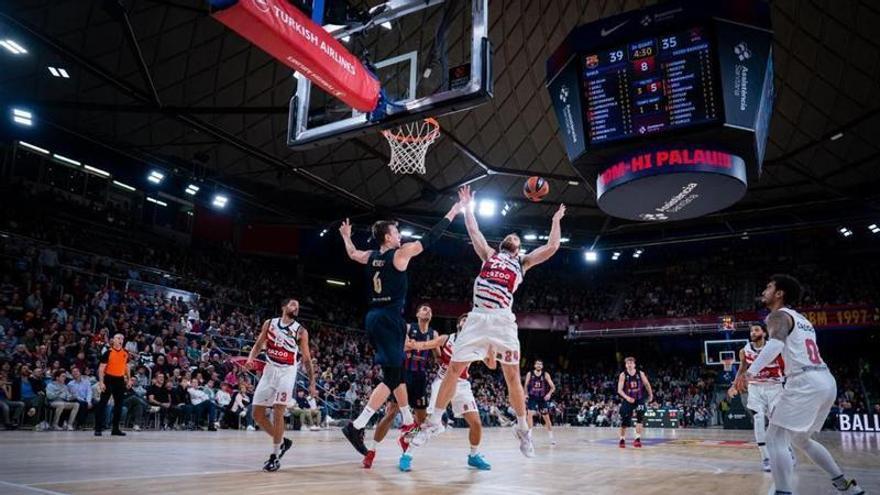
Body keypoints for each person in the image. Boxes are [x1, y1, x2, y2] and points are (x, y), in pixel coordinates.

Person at [413, 185, 566, 458]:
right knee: (454, 369)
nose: (512, 238)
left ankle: (523, 430)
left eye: (516, 239)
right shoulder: (489, 255)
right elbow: (474, 231)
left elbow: (553, 246)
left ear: (519, 250)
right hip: (476, 316)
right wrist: (468, 206)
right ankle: (434, 422)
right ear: (502, 244)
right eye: (509, 236)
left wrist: (555, 221)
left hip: (502, 320)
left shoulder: (523, 263)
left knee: (512, 376)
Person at [339, 199, 462, 460]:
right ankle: (359, 426)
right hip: (391, 319)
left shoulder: (371, 256)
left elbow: (352, 254)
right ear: (387, 236)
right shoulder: (400, 254)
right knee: (393, 375)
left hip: (372, 317)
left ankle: (368, 424)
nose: (400, 235)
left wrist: (347, 237)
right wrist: (454, 210)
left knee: (394, 374)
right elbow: (429, 239)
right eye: (396, 231)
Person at [734, 275, 864, 495]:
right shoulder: (802, 319)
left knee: (774, 438)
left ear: (779, 293)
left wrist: (748, 373)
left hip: (805, 381)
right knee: (801, 439)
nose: (764, 290)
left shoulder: (777, 315)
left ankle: (783, 491)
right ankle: (847, 487)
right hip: (826, 380)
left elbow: (775, 344)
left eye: (768, 286)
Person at [397, 314, 494, 471]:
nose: (467, 320)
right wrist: (412, 344)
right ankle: (407, 454)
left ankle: (473, 455)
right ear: (459, 324)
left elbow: (491, 365)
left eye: (470, 319)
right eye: (464, 318)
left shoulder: (475, 344)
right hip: (442, 382)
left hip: (462, 384)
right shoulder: (446, 339)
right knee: (431, 423)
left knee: (476, 423)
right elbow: (425, 345)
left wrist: (491, 347)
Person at [245, 298, 316, 472]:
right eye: (293, 305)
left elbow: (306, 358)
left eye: (298, 307)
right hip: (269, 370)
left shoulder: (300, 331)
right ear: (283, 307)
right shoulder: (270, 323)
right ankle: (283, 442)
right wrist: (250, 359)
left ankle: (275, 456)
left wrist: (312, 381)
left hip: (287, 372)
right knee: (257, 415)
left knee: (278, 411)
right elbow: (259, 344)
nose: (295, 308)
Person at [363, 304, 436, 468]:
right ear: (417, 314)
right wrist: (410, 345)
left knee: (421, 421)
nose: (427, 311)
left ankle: (407, 438)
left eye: (429, 310)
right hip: (402, 374)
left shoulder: (434, 334)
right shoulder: (408, 327)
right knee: (390, 414)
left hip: (420, 378)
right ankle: (372, 451)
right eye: (424, 309)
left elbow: (438, 355)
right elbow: (397, 346)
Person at [728, 323, 787, 471]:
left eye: (756, 330)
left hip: (774, 387)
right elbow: (742, 369)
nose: (752, 333)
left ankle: (787, 451)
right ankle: (766, 458)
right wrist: (734, 385)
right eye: (751, 331)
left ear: (765, 333)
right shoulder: (744, 351)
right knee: (758, 419)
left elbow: (786, 367)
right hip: (755, 388)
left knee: (777, 424)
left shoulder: (775, 348)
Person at [95, 333, 130, 436]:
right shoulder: (108, 352)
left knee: (119, 405)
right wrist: (101, 382)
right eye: (118, 338)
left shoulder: (125, 353)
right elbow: (101, 369)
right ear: (113, 340)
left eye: (122, 338)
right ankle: (98, 428)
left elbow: (127, 367)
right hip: (109, 378)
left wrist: (128, 379)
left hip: (120, 379)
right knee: (103, 403)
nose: (120, 340)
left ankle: (115, 429)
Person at [617, 356, 653, 448]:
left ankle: (637, 439)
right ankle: (622, 439)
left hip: (639, 399)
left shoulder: (640, 373)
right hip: (628, 399)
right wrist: (627, 397)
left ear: (634, 364)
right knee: (625, 421)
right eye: (627, 363)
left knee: (640, 418)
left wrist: (651, 395)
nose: (629, 364)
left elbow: (647, 384)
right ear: (625, 365)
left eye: (631, 363)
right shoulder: (623, 375)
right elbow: (619, 390)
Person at [524, 359, 557, 445]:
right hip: (532, 397)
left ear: (542, 366)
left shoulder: (545, 374)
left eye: (540, 364)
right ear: (534, 365)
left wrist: (549, 394)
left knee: (546, 418)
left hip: (542, 398)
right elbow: (526, 385)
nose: (539, 366)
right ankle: (529, 436)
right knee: (529, 415)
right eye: (537, 364)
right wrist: (526, 394)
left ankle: (551, 437)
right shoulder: (530, 374)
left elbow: (553, 387)